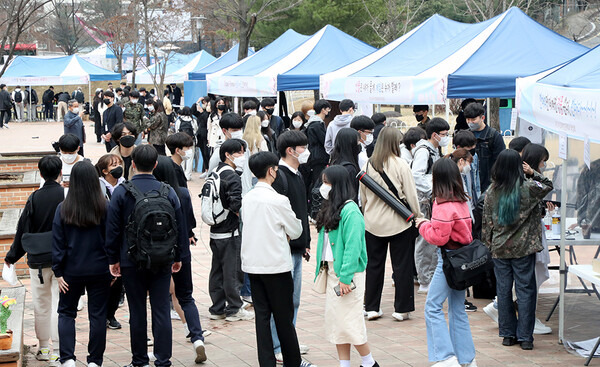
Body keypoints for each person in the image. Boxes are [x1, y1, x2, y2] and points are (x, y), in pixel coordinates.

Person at [106, 145, 187, 367]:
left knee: (137, 311)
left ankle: (139, 360)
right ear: (155, 165)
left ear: (131, 164)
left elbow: (112, 229)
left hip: (131, 260)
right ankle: (163, 360)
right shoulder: (168, 191)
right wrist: (178, 256)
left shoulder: (122, 192)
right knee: (161, 309)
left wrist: (113, 260)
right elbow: (180, 226)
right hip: (163, 259)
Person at [242, 151, 315, 367]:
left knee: (262, 318)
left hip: (253, 266)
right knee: (284, 318)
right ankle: (292, 361)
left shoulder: (248, 198)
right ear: (271, 170)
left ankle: (267, 362)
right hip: (276, 267)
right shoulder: (278, 200)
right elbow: (296, 228)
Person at [482, 149, 553, 351]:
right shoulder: (529, 188)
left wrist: (489, 245)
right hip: (524, 249)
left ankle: (507, 334)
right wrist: (532, 173)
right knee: (526, 292)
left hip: (500, 249)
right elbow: (548, 185)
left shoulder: (491, 191)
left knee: (503, 291)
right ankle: (526, 337)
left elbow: (486, 222)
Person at [314, 165, 379, 367]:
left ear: (337, 185)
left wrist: (345, 277)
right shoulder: (332, 206)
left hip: (347, 274)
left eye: (327, 182)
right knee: (337, 324)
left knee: (350, 323)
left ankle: (369, 362)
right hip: (335, 272)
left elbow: (353, 247)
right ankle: (345, 364)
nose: (323, 187)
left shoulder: (351, 211)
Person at [5, 155, 64, 366]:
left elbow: (23, 230)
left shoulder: (34, 198)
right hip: (63, 261)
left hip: (38, 261)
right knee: (60, 304)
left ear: (40, 173)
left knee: (41, 304)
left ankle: (44, 348)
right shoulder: (66, 195)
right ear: (60, 173)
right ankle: (59, 349)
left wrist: (11, 257)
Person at [417, 158, 476, 367]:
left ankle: (445, 357)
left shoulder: (442, 204)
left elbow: (438, 237)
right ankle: (466, 359)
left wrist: (423, 225)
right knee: (457, 308)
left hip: (449, 260)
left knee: (432, 306)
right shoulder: (462, 200)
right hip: (462, 261)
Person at [52, 161, 111, 367]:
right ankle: (95, 361)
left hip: (71, 271)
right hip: (100, 269)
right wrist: (112, 268)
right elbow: (110, 239)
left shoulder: (63, 208)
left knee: (67, 313)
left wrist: (58, 271)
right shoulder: (104, 206)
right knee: (98, 314)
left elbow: (58, 242)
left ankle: (67, 358)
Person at [361, 127, 421, 321]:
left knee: (374, 265)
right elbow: (411, 194)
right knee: (402, 265)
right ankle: (401, 309)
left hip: (372, 222)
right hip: (399, 222)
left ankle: (371, 307)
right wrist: (417, 216)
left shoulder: (369, 165)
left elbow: (363, 197)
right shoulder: (401, 164)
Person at [152, 156, 208, 363]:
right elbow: (190, 222)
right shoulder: (183, 193)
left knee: (159, 302)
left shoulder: (151, 194)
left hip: (158, 252)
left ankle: (160, 352)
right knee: (186, 297)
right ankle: (197, 338)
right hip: (182, 251)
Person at [271, 131, 312, 362]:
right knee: (282, 300)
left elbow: (301, 213)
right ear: (291, 150)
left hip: (297, 247)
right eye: (303, 147)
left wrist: (305, 243)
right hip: (283, 248)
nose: (306, 151)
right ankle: (278, 345)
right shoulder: (280, 176)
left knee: (293, 299)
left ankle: (289, 340)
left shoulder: (297, 174)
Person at [207, 138, 254, 322]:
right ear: (228, 155)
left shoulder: (216, 172)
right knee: (233, 270)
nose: (242, 156)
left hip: (215, 230)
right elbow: (235, 203)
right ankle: (234, 308)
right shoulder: (232, 176)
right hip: (230, 231)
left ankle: (217, 308)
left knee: (217, 270)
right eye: (239, 153)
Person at [411, 118, 450, 294]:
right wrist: (430, 190)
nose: (446, 138)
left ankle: (430, 276)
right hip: (425, 201)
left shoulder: (434, 150)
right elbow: (416, 176)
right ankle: (424, 278)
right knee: (424, 241)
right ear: (434, 135)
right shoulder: (423, 152)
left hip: (432, 200)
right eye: (444, 135)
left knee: (433, 241)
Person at [521, 143, 553, 335]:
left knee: (524, 280)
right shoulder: (530, 182)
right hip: (528, 240)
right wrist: (534, 173)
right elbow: (548, 185)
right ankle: (528, 321)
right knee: (527, 281)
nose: (544, 166)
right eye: (543, 162)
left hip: (522, 240)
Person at [95, 154, 125, 330]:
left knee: (119, 281)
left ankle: (111, 314)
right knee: (106, 279)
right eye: (113, 165)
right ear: (105, 170)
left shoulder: (125, 184)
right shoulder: (98, 187)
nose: (118, 167)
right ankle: (101, 314)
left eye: (119, 163)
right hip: (105, 239)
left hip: (122, 239)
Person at [464, 102, 506, 192]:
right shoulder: (465, 136)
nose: (470, 122)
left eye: (473, 119)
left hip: (489, 186)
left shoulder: (494, 136)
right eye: (468, 119)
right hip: (469, 185)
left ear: (482, 118)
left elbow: (500, 162)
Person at [305, 99, 331, 190]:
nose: (328, 111)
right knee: (318, 182)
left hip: (315, 156)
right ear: (323, 110)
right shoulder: (317, 124)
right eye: (328, 109)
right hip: (318, 157)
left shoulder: (313, 123)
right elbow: (324, 141)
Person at [330, 128, 361, 202]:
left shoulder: (335, 161)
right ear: (351, 144)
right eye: (358, 141)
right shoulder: (350, 168)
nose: (359, 144)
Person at [453, 130, 481, 210]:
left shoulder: (474, 157)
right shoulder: (453, 162)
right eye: (469, 149)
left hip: (473, 203)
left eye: (473, 148)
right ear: (459, 148)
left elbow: (476, 180)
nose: (472, 152)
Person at [174, 107, 198, 180]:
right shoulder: (193, 120)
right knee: (190, 158)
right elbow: (195, 130)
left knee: (181, 157)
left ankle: (182, 173)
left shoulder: (179, 120)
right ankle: (188, 175)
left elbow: (176, 129)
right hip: (190, 141)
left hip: (181, 141)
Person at [191, 96, 210, 173]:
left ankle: (209, 169)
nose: (203, 104)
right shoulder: (201, 112)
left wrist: (202, 112)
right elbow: (192, 111)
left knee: (207, 153)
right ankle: (206, 170)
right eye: (202, 102)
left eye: (204, 102)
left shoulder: (209, 113)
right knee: (203, 153)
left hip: (207, 136)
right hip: (200, 136)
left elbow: (206, 120)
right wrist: (197, 102)